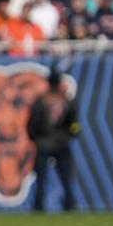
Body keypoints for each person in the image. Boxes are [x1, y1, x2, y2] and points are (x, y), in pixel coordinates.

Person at [27, 69, 80, 212]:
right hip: (62, 143)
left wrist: (34, 137)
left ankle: (39, 207)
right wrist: (70, 134)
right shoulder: (67, 101)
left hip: (43, 143)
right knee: (66, 178)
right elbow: (74, 125)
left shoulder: (41, 100)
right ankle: (70, 205)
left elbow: (32, 124)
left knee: (41, 179)